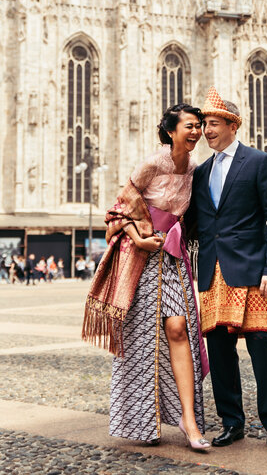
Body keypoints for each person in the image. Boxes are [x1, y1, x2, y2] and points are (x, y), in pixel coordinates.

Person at [82, 104, 210, 449]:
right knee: (142, 340)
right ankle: (141, 420)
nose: (196, 131)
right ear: (171, 131)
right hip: (141, 260)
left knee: (179, 328)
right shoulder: (154, 163)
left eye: (199, 126)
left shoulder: (195, 169)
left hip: (173, 260)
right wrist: (139, 237)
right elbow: (119, 208)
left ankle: (190, 421)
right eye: (190, 126)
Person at [187, 87, 267, 454]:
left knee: (262, 346)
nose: (206, 131)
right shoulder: (201, 172)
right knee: (219, 349)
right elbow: (194, 223)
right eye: (204, 124)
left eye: (213, 123)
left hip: (251, 269)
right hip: (212, 271)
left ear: (233, 124)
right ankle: (232, 422)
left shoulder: (259, 162)